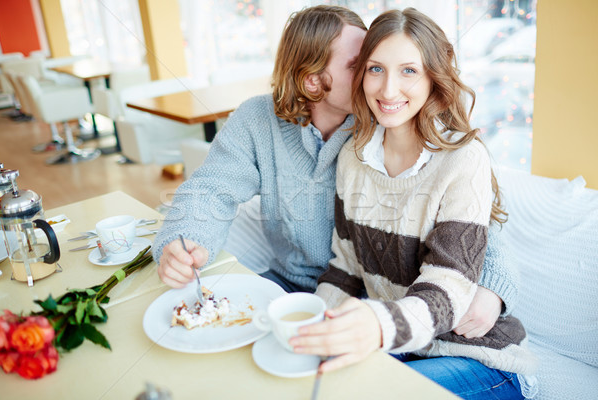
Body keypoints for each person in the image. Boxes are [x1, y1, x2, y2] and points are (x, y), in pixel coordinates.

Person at [152, 5, 516, 339]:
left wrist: (494, 288)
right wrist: (182, 242)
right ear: (313, 81)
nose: (381, 81)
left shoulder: (384, 122)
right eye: (364, 66)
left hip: (365, 299)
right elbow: (210, 191)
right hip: (292, 285)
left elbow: (465, 212)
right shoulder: (256, 121)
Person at [290, 8, 537, 399]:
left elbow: (448, 288)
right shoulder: (353, 157)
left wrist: (377, 324)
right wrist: (314, 330)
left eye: (409, 71)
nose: (388, 90)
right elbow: (346, 268)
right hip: (402, 347)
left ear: (433, 79)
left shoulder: (463, 159)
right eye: (375, 69)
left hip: (477, 358)